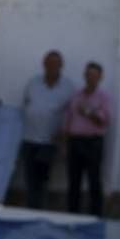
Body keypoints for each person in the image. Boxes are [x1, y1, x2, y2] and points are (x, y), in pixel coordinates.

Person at [21, 50, 76, 209]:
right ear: (44, 65)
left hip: (49, 141)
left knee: (43, 178)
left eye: (55, 64)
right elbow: (26, 103)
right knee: (30, 177)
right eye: (49, 63)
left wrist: (63, 135)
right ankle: (30, 210)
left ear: (61, 66)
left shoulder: (67, 87)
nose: (52, 67)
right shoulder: (33, 82)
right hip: (29, 138)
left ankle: (39, 210)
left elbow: (71, 113)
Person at [64, 62, 111, 216]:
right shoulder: (76, 96)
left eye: (94, 75)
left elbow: (103, 121)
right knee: (74, 181)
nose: (91, 78)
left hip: (93, 142)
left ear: (100, 78)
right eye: (88, 75)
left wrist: (89, 112)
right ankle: (72, 215)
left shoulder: (103, 98)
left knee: (94, 181)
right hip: (75, 141)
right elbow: (69, 119)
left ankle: (95, 216)